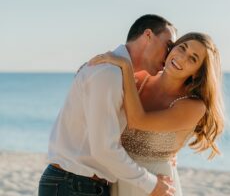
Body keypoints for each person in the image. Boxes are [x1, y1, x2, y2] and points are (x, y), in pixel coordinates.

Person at [38, 14, 177, 196]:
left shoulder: (119, 74)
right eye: (168, 46)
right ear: (148, 35)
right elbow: (104, 149)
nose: (169, 57)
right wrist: (151, 184)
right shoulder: (108, 72)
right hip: (74, 185)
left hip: (79, 184)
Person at [88, 32, 225, 196]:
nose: (181, 58)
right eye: (182, 48)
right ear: (173, 47)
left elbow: (137, 121)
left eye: (192, 59)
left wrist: (126, 66)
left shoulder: (194, 106)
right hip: (119, 175)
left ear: (197, 73)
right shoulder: (140, 78)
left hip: (156, 185)